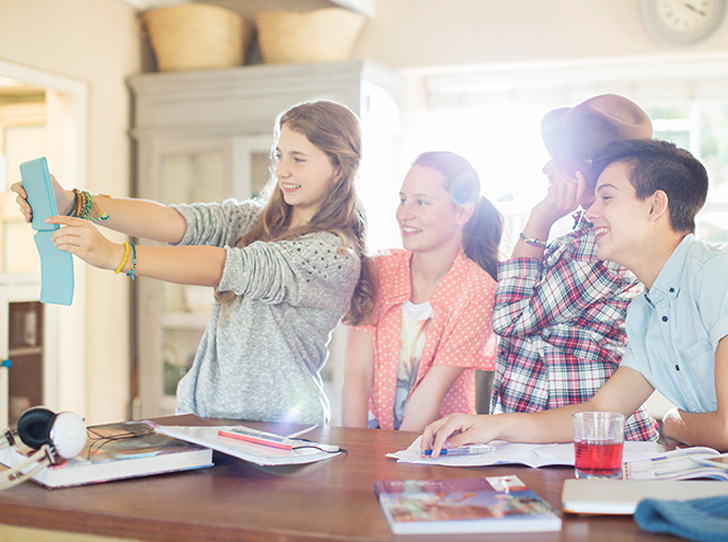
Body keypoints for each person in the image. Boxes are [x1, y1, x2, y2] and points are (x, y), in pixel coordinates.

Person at [12, 100, 371, 425]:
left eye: (298, 158)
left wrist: (116, 256)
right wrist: (74, 202)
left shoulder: (334, 252)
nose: (281, 170)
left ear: (339, 168)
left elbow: (228, 266)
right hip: (207, 419)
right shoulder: (260, 221)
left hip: (280, 432)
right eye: (279, 155)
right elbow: (176, 222)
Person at [422, 139, 728, 455]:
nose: (591, 212)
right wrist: (493, 426)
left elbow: (726, 429)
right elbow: (602, 410)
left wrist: (673, 422)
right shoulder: (644, 313)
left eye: (607, 197)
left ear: (655, 206)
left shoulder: (717, 274)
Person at [491, 94, 658, 441]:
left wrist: (539, 219)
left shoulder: (595, 248)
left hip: (578, 438)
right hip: (556, 434)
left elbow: (509, 319)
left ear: (580, 172)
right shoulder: (583, 233)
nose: (546, 169)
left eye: (556, 160)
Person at [342, 151, 503, 432]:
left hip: (436, 445)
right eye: (403, 200)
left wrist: (397, 459)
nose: (405, 213)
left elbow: (431, 392)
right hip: (371, 439)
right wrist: (353, 452)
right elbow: (357, 375)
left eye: (421, 202)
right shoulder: (378, 269)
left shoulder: (479, 289)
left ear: (462, 213)